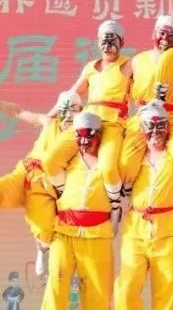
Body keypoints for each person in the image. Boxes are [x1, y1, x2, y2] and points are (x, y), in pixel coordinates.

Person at [0, 88, 81, 277]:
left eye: (74, 109)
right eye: (64, 108)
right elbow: (17, 111)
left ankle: (43, 250)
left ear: (81, 111)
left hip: (45, 189)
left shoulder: (81, 137)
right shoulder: (47, 122)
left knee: (44, 229)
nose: (68, 114)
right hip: (25, 173)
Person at [35, 112, 116, 310]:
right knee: (56, 285)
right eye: (79, 137)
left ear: (100, 135)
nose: (84, 142)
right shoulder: (68, 162)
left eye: (89, 136)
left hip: (97, 234)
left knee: (97, 289)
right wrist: (77, 129)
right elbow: (50, 160)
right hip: (64, 231)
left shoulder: (110, 165)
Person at [114, 102, 173, 310]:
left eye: (161, 126)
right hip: (135, 229)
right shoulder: (134, 160)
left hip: (168, 229)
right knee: (126, 285)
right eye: (150, 126)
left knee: (167, 287)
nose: (156, 132)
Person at [43, 21, 133, 231]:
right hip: (85, 122)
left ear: (122, 42)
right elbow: (72, 94)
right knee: (51, 160)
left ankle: (115, 206)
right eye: (104, 41)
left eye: (113, 40)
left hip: (112, 123)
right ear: (98, 42)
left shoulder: (129, 65)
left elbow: (146, 84)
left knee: (108, 168)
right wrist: (49, 116)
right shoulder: (90, 67)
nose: (108, 45)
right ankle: (63, 195)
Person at [119, 15, 173, 187]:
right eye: (161, 33)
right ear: (153, 34)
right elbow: (117, 81)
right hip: (142, 116)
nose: (165, 38)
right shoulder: (137, 60)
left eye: (171, 35)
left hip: (171, 116)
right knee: (126, 163)